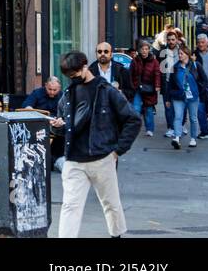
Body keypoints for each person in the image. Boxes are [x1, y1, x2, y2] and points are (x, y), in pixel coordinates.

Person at [50, 50, 141, 238]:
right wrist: (58, 126)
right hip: (74, 159)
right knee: (70, 205)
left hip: (102, 157)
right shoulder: (68, 93)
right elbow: (65, 127)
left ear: (84, 67)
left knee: (111, 204)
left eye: (74, 75)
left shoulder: (107, 91)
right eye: (68, 76)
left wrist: (118, 151)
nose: (71, 79)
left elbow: (133, 119)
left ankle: (116, 235)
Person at [165, 45, 202, 150]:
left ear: (187, 55)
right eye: (179, 53)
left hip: (193, 97)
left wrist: (200, 92)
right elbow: (170, 84)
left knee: (193, 118)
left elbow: (203, 80)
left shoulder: (195, 65)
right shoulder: (175, 67)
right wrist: (168, 98)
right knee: (178, 116)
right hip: (178, 96)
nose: (179, 55)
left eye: (181, 53)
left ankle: (193, 138)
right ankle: (176, 138)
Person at [129, 38, 162, 137]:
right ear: (139, 50)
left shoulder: (154, 61)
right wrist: (132, 85)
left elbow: (157, 74)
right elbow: (130, 74)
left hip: (149, 88)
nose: (144, 51)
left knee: (148, 109)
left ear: (149, 50)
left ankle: (149, 129)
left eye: (146, 49)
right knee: (136, 109)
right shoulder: (135, 61)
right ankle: (135, 128)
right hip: (137, 88)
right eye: (142, 49)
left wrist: (157, 85)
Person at [194, 32, 208, 138]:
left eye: (203, 42)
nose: (201, 44)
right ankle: (204, 132)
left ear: (207, 43)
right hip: (200, 87)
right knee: (200, 110)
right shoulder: (194, 55)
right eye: (199, 43)